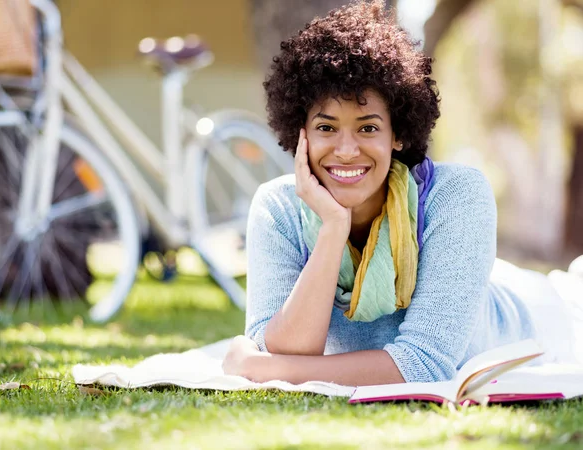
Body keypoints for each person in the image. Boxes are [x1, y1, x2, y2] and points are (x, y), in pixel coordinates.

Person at [222, 0, 583, 386]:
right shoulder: (278, 207)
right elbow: (287, 349)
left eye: (367, 128)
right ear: (301, 133)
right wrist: (332, 228)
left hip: (549, 321)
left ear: (398, 135)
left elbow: (424, 365)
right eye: (327, 128)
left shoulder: (455, 195)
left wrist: (265, 369)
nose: (345, 150)